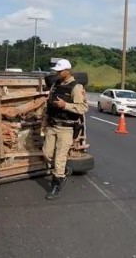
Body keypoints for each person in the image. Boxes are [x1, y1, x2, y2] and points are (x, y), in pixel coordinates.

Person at [42, 59, 89, 200]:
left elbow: (83, 108)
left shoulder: (76, 87)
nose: (57, 73)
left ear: (67, 71)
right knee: (47, 153)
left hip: (66, 128)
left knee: (59, 159)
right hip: (52, 125)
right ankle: (62, 170)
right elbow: (48, 104)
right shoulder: (55, 85)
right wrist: (44, 121)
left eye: (60, 71)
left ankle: (56, 186)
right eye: (57, 71)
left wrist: (65, 105)